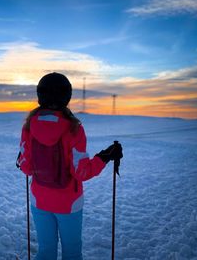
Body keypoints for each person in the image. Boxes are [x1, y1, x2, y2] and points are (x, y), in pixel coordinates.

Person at [17, 72, 123, 260]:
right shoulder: (74, 128)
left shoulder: (29, 126)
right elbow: (82, 172)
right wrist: (105, 156)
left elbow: (26, 167)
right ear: (67, 96)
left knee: (46, 251)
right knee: (72, 252)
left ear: (40, 96)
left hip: (38, 200)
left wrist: (22, 158)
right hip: (69, 204)